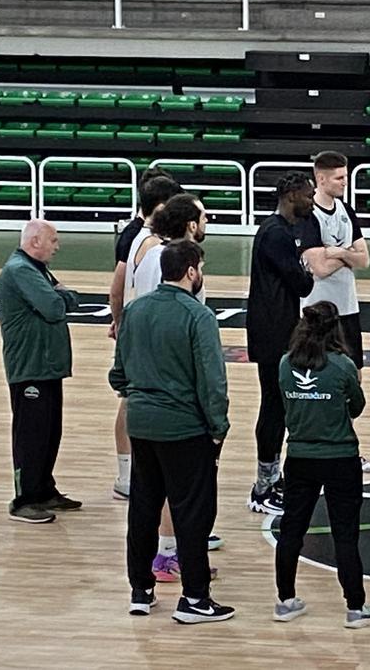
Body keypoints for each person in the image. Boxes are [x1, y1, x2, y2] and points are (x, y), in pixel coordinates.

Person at [109, 240, 234, 624]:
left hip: (142, 425)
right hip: (184, 428)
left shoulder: (135, 310)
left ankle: (140, 591)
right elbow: (212, 381)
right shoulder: (198, 316)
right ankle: (195, 598)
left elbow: (118, 373)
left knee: (143, 508)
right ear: (192, 271)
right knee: (192, 514)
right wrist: (218, 428)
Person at [126, 192, 222, 581]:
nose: (207, 221)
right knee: (182, 493)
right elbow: (208, 373)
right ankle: (173, 560)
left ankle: (142, 586)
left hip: (146, 395)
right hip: (175, 400)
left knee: (149, 499)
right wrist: (217, 423)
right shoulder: (171, 277)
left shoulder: (153, 257)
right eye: (203, 216)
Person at [273, 301, 370, 629]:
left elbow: (284, 406)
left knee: (291, 530)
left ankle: (285, 601)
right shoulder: (343, 366)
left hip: (299, 459)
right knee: (345, 535)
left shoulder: (284, 364)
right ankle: (355, 608)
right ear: (336, 328)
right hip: (340, 460)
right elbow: (357, 406)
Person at [295, 151, 370, 475]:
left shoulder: (346, 210)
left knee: (352, 376)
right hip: (317, 310)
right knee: (315, 376)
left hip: (348, 308)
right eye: (340, 177)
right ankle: (314, 446)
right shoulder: (308, 214)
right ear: (321, 179)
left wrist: (337, 252)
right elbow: (318, 267)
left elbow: (365, 259)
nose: (345, 182)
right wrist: (347, 256)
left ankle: (345, 445)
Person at [0, 219, 80, 524]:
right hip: (29, 366)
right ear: (35, 241)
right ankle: (24, 500)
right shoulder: (21, 271)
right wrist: (60, 295)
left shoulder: (35, 268)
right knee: (31, 434)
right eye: (54, 240)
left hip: (46, 366)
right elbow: (56, 306)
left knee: (49, 430)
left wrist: (61, 295)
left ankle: (44, 489)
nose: (57, 246)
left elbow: (67, 298)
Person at [109, 169, 182, 500]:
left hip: (136, 328)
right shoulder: (139, 237)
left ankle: (132, 473)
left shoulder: (140, 234)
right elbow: (119, 284)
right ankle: (126, 474)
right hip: (139, 332)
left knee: (131, 399)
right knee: (130, 400)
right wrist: (118, 321)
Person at [247, 172, 317, 515]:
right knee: (273, 406)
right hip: (271, 331)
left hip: (278, 327)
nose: (311, 199)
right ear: (290, 195)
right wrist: (306, 271)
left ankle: (271, 479)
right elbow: (302, 283)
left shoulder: (281, 231)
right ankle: (263, 486)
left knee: (279, 406)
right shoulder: (275, 233)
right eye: (307, 194)